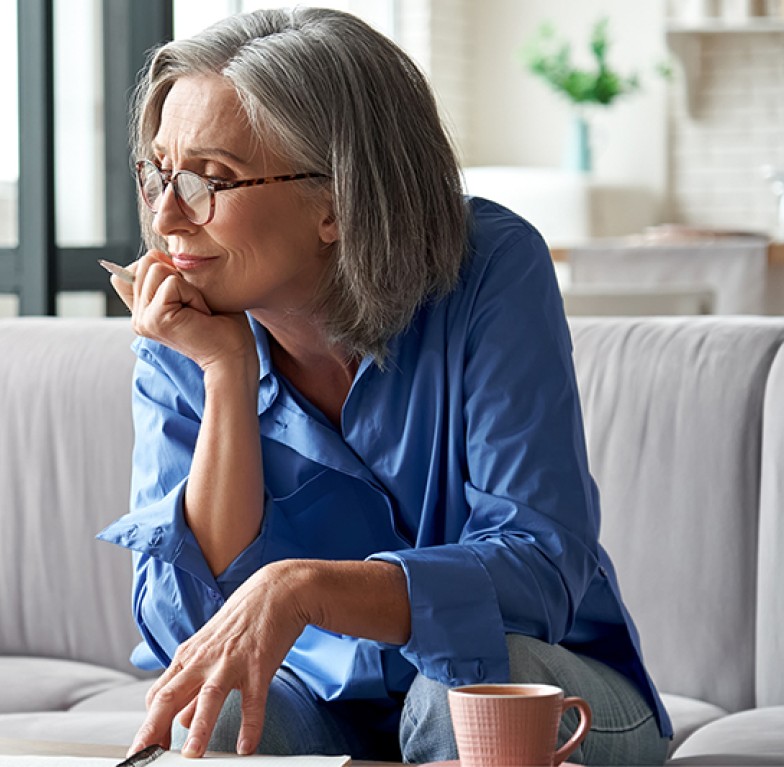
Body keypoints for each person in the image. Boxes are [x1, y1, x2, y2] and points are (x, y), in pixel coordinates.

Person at [95, 8, 671, 764]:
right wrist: (226, 375)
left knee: (456, 698)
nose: (168, 216)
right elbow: (186, 630)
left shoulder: (492, 269)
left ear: (336, 201)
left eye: (212, 179)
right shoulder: (187, 323)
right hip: (323, 697)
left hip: (538, 679)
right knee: (222, 713)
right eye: (158, 172)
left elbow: (539, 566)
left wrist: (305, 587)